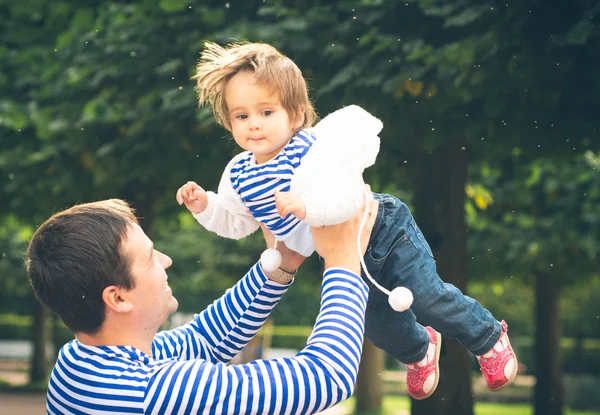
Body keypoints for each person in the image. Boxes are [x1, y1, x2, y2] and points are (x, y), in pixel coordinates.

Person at [177, 41, 518, 400]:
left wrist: (307, 207)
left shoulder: (311, 149)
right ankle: (419, 350)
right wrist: (205, 207)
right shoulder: (238, 174)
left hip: (383, 230)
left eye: (266, 112)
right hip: (338, 253)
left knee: (426, 297)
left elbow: (349, 199)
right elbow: (238, 223)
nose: (254, 126)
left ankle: (488, 336)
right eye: (242, 116)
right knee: (373, 323)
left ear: (294, 115)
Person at [26, 194, 378, 414]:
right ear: (117, 298)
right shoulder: (153, 392)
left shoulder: (78, 360)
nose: (165, 261)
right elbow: (327, 376)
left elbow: (203, 340)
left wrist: (279, 262)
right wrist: (344, 260)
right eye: (149, 258)